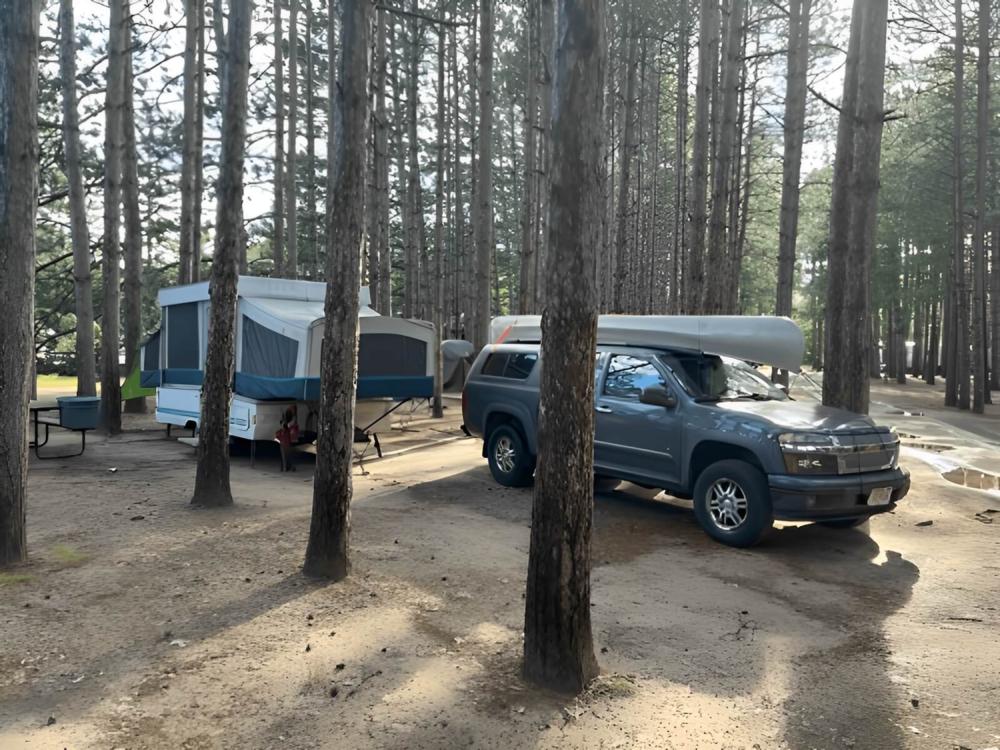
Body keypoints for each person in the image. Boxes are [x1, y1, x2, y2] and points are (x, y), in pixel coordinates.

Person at [275, 405, 299, 472]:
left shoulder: (289, 420)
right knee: (287, 453)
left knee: (284, 453)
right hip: (287, 438)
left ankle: (285, 467)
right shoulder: (292, 419)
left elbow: (285, 426)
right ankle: (287, 467)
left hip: (284, 438)